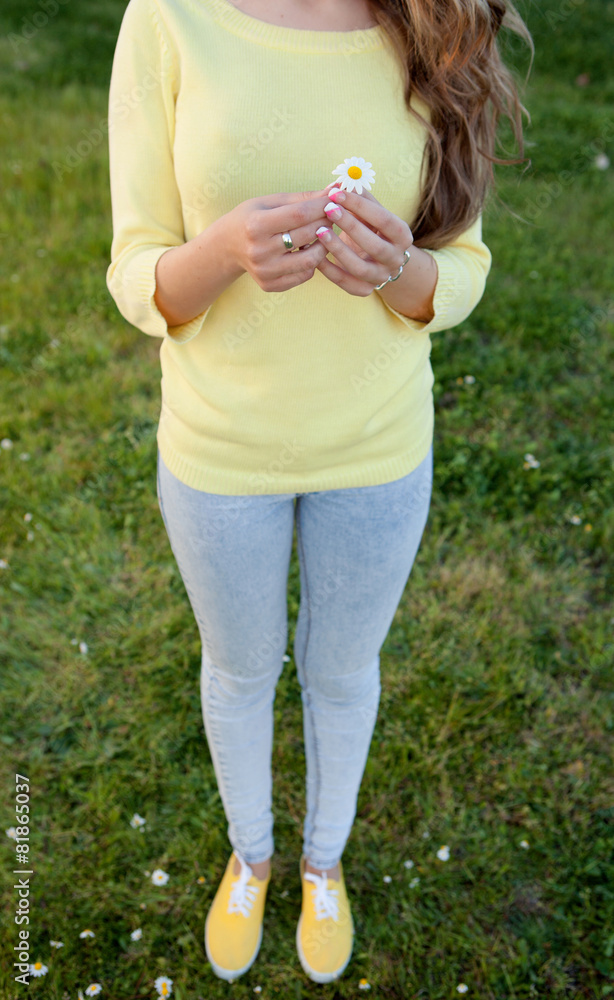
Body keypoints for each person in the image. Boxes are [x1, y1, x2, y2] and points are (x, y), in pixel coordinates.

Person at [106, 0, 532, 983]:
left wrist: (398, 270)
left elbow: (461, 268)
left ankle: (321, 861)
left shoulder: (438, 20)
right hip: (221, 452)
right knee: (239, 671)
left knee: (342, 674)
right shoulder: (167, 17)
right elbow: (137, 273)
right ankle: (252, 856)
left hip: (377, 449)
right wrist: (223, 252)